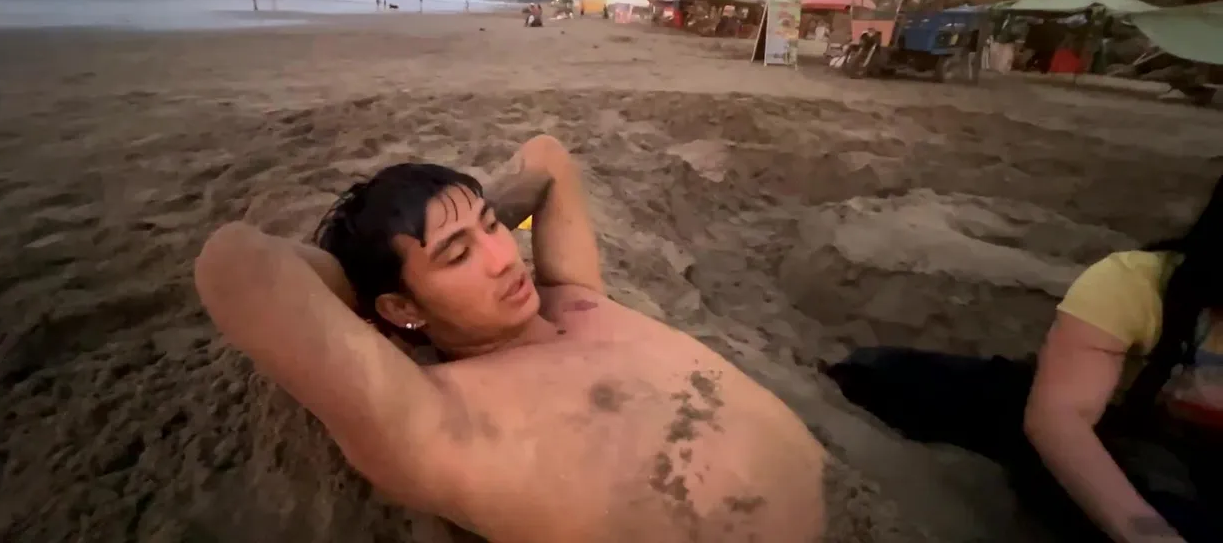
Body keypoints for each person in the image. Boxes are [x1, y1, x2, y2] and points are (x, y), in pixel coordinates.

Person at [194, 135, 826, 543]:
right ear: (402, 305)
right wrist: (372, 288)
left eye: (496, 227)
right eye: (459, 256)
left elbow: (547, 158)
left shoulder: (571, 296)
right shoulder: (435, 417)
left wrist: (455, 215)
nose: (503, 259)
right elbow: (235, 262)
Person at [825, 174, 1223, 543]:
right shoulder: (1137, 285)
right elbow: (1061, 421)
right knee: (886, 377)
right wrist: (1150, 534)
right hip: (1115, 433)